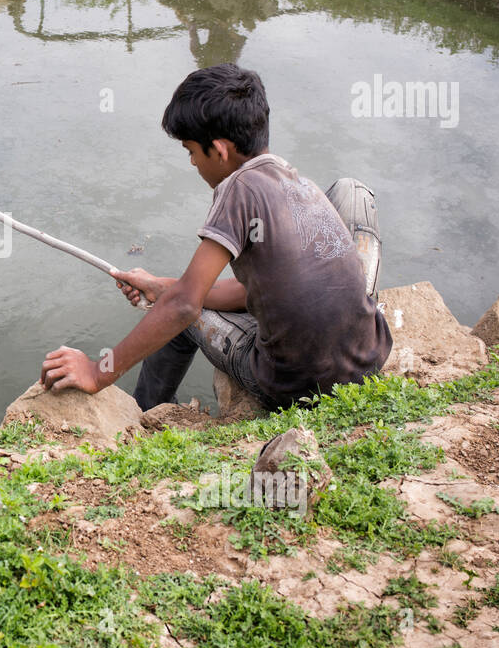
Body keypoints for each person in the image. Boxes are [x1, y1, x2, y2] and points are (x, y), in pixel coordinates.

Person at [39, 63, 392, 414]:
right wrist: (161, 285)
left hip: (295, 386)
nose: (192, 163)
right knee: (350, 192)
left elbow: (183, 306)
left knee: (178, 316)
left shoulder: (237, 188)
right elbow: (253, 291)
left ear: (220, 151)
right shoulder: (297, 182)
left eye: (191, 151)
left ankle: (147, 410)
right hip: (367, 362)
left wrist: (96, 372)